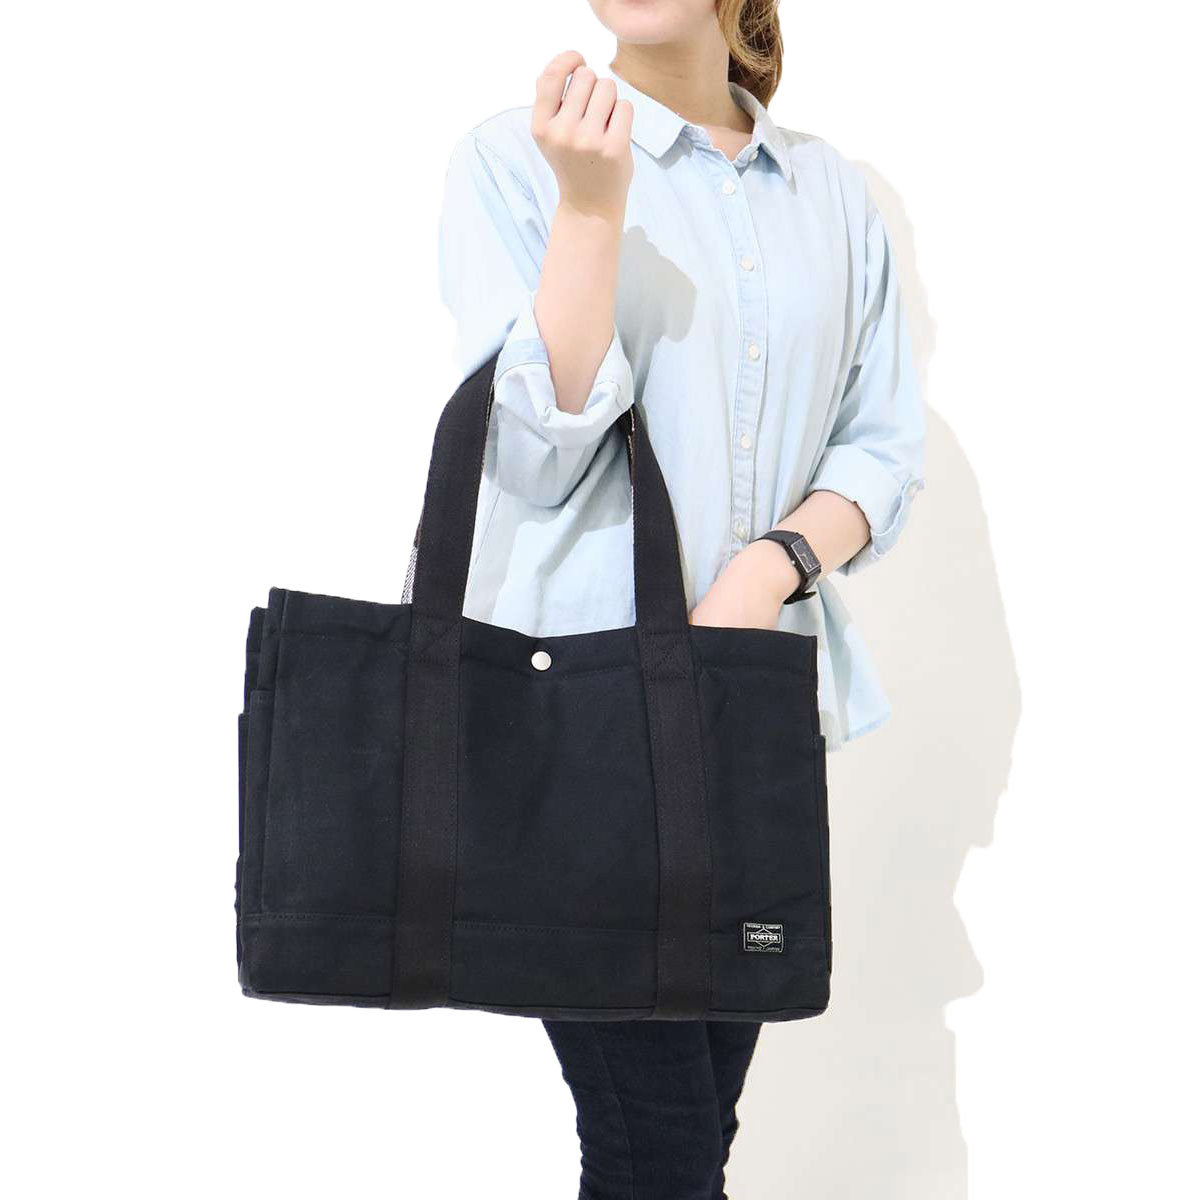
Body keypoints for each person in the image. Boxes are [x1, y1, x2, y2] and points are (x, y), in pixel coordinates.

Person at [435, 2, 926, 1196]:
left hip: (752, 727)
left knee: (690, 1140)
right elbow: (534, 452)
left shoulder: (832, 193)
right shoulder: (515, 158)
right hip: (578, 731)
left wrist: (767, 569)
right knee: (659, 1151)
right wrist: (590, 209)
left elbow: (879, 452)